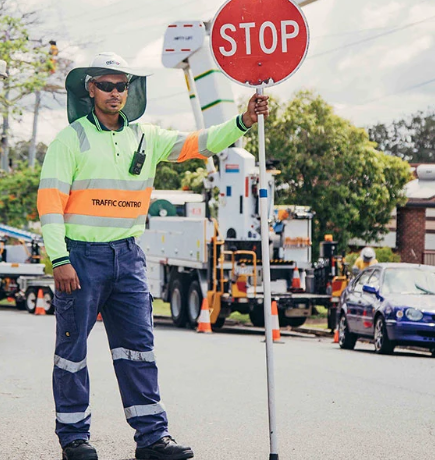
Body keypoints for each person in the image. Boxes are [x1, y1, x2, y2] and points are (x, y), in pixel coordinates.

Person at [37, 52, 268, 460]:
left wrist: (244, 120)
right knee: (72, 351)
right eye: (106, 85)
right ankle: (74, 438)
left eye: (121, 86)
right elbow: (50, 203)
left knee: (138, 350)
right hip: (81, 258)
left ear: (130, 91)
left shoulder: (147, 137)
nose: (114, 93)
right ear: (90, 89)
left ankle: (152, 440)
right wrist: (60, 260)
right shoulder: (70, 139)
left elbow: (200, 143)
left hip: (128, 258)